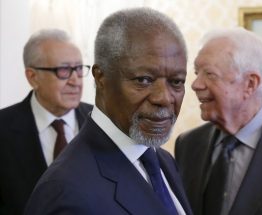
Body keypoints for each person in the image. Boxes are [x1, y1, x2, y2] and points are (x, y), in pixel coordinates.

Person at [24, 8, 193, 215]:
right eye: (143, 80)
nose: (164, 98)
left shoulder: (163, 160)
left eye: (176, 82)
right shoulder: (65, 191)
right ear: (100, 77)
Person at [175, 27, 262, 215]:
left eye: (209, 74)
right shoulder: (188, 144)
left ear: (250, 84)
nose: (196, 84)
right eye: (196, 72)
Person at [0, 29, 92, 215]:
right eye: (64, 70)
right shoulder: (3, 128)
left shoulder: (101, 120)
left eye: (79, 68)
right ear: (33, 77)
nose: (76, 81)